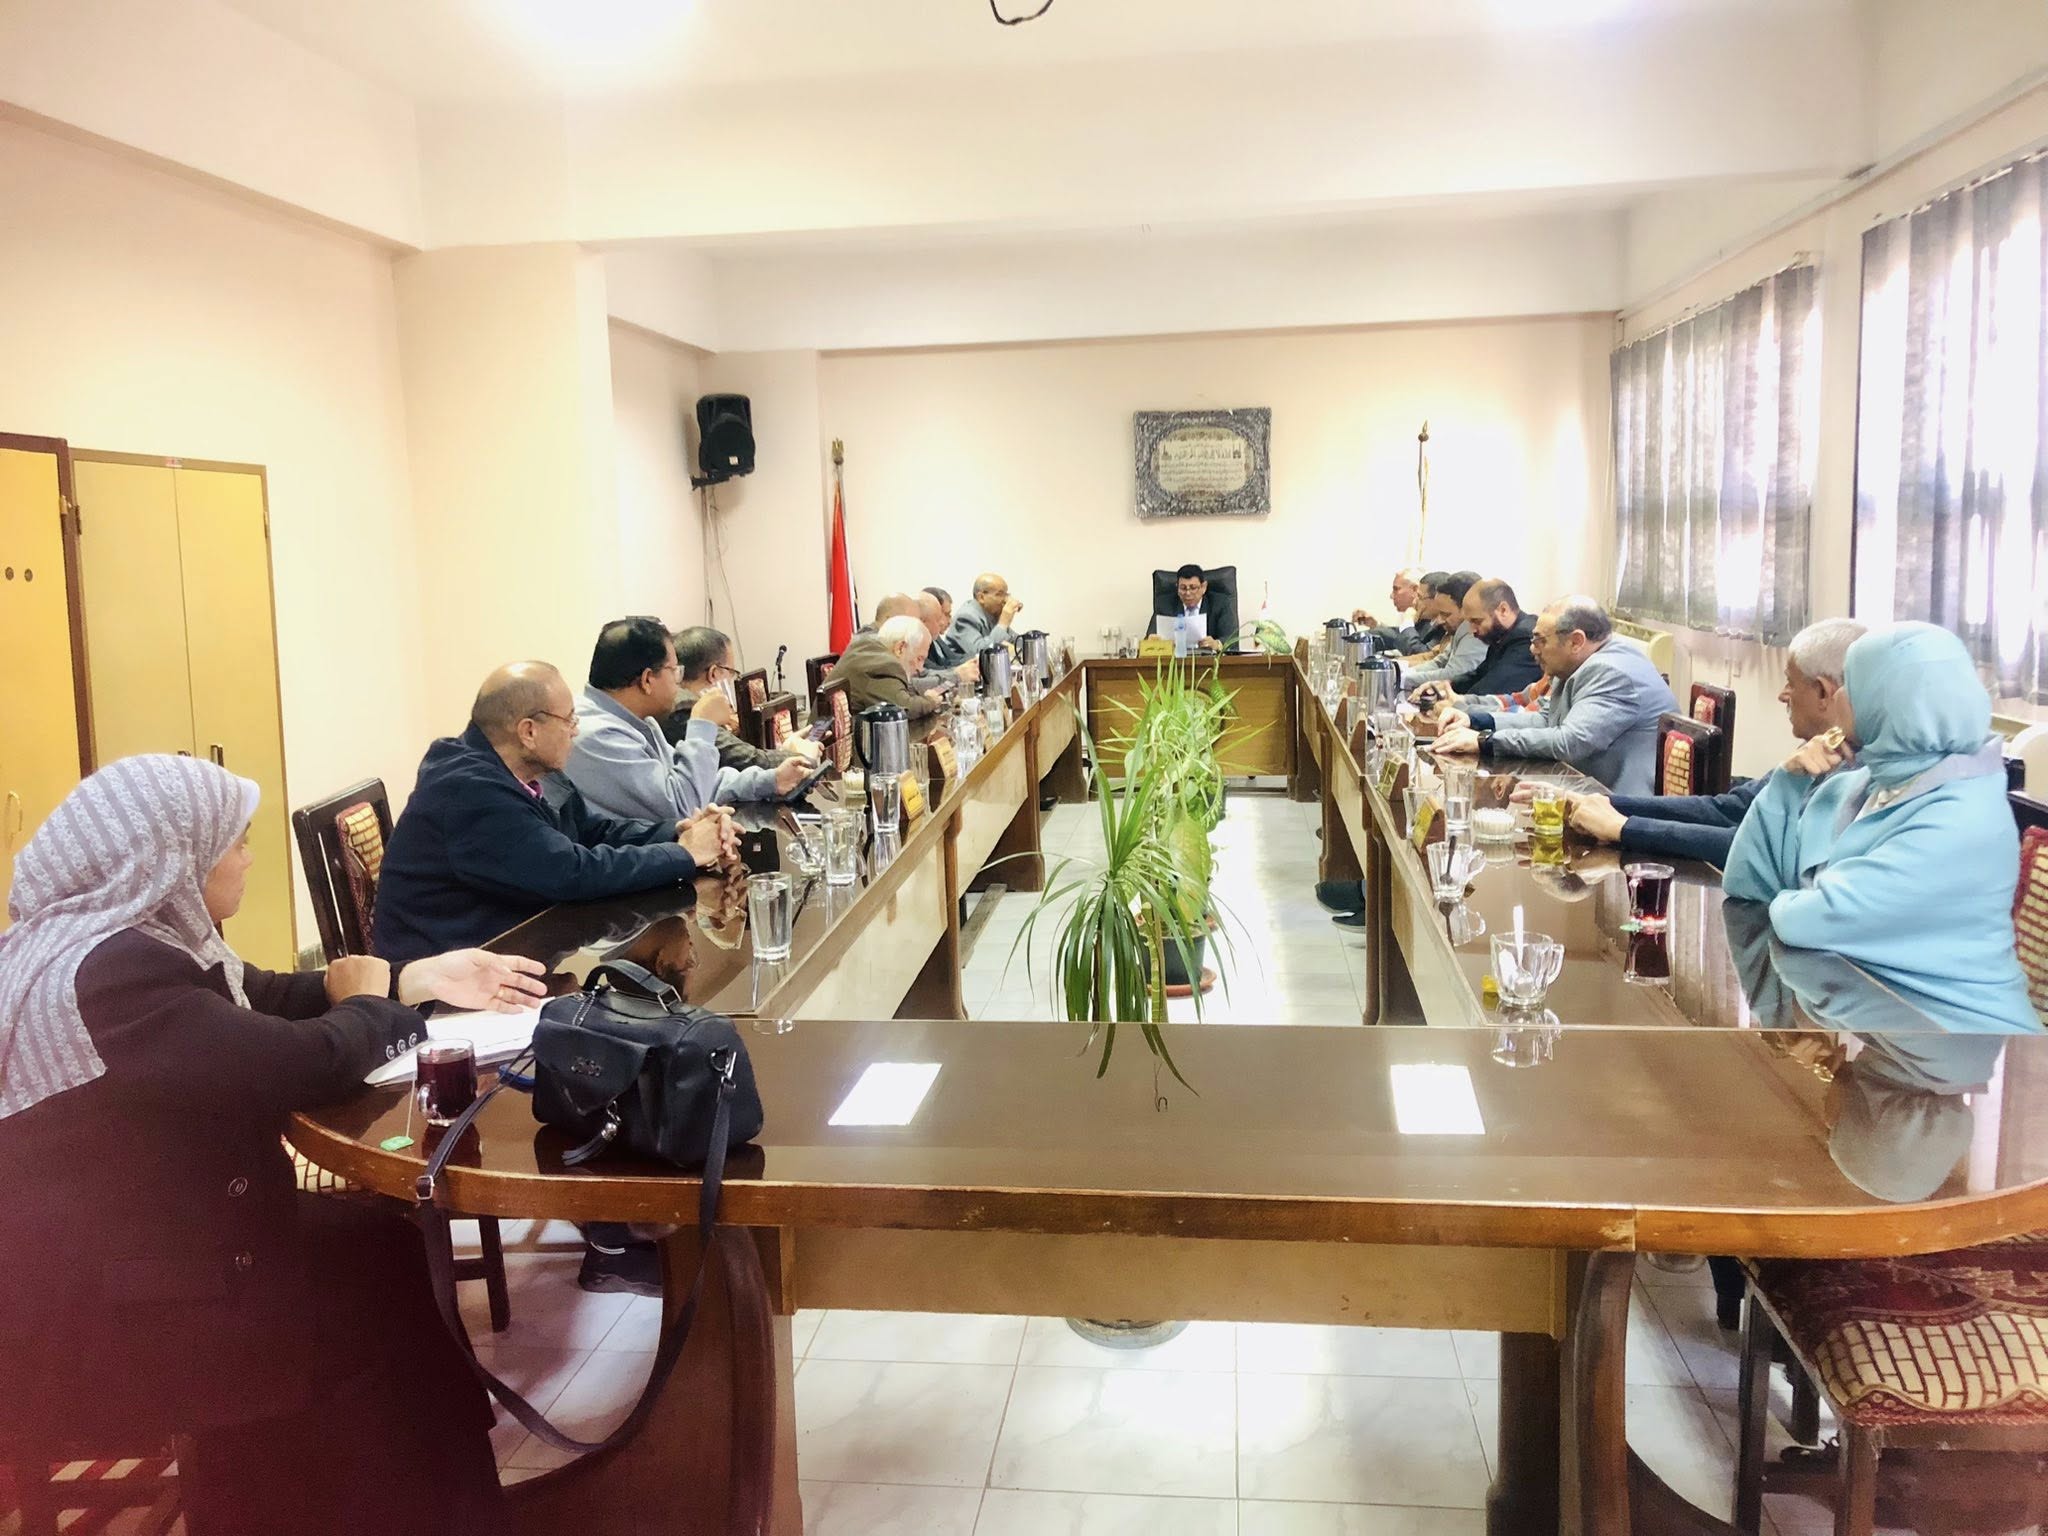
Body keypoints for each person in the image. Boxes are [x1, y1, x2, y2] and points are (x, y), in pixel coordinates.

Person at [0, 755, 549, 1534]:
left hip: (149, 1245)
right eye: (236, 842)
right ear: (173, 857)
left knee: (382, 1248)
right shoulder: (110, 976)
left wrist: (414, 979)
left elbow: (258, 999)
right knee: (370, 1298)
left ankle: (439, 1497)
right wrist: (366, 1007)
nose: (248, 857)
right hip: (112, 1305)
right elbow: (300, 1063)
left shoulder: (115, 942)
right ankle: (388, 1501)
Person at [1722, 620, 2040, 1034]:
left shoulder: (1965, 817)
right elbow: (1747, 883)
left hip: (1961, 1041)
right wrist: (1787, 782)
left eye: (1850, 686)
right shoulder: (1864, 782)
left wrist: (1791, 898)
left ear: (1888, 702)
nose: (1837, 697)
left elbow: (1814, 920)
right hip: (1875, 1020)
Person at [373, 659, 735, 966]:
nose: (576, 732)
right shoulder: (468, 791)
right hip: (446, 987)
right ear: (529, 731)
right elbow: (571, 873)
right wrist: (684, 854)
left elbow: (594, 831)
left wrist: (679, 832)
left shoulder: (531, 770)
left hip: (514, 953)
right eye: (569, 720)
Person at [1566, 618, 1866, 866]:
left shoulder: (1858, 773)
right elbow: (1731, 808)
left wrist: (1624, 828)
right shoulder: (1820, 747)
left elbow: (1751, 847)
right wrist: (1606, 804)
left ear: (1824, 692)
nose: (1782, 695)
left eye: (1791, 682)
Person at [565, 617, 810, 822]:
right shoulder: (597, 733)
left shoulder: (638, 720)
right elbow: (682, 807)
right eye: (674, 671)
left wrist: (771, 780)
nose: (678, 682)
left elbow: (696, 783)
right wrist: (702, 725)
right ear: (647, 679)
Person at [1432, 597, 1678, 795]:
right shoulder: (1576, 663)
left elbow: (1569, 742)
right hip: (1581, 789)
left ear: (1576, 641)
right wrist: (1474, 721)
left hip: (1620, 806)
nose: (1532, 649)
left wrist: (1485, 741)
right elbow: (1546, 718)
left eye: (1540, 641)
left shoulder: (1611, 672)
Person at [661, 623, 821, 773]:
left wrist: (786, 749)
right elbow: (748, 761)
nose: (731, 679)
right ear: (714, 673)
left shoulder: (678, 700)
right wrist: (802, 756)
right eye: (731, 672)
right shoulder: (686, 710)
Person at [1413, 578, 1539, 702]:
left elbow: (1491, 690)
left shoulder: (1525, 638)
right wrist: (1445, 686)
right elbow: (1479, 674)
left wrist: (1454, 700)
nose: (1472, 630)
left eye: (1477, 621)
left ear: (1503, 610)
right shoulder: (1502, 634)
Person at [830, 613, 946, 719]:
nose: (920, 669)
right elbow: (904, 708)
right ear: (900, 648)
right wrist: (931, 701)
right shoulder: (885, 664)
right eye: (919, 659)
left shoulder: (869, 650)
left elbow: (904, 694)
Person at [1396, 570, 1485, 690]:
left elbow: (1452, 674)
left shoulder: (1476, 633)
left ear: (1467, 608)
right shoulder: (1460, 628)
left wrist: (1401, 680)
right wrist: (1400, 674)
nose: (1440, 620)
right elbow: (1439, 662)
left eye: (1446, 614)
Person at [1150, 563, 1235, 652]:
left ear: (1204, 587)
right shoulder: (1165, 604)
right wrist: (1153, 641)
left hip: (1208, 659)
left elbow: (1231, 639)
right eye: (1183, 588)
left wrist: (1216, 644)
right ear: (1177, 587)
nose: (1188, 593)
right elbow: (1150, 638)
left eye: (1193, 588)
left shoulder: (1220, 603)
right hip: (1175, 658)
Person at [945, 572, 1023, 659]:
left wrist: (1030, 642)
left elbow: (1015, 641)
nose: (1005, 600)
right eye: (1000, 594)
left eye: (1006, 594)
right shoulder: (965, 618)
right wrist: (1003, 623)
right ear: (981, 597)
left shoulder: (992, 614)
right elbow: (982, 653)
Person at [1351, 567, 1428, 652]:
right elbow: (1396, 638)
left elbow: (1413, 651)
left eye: (1396, 589)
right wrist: (1375, 625)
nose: (1391, 596)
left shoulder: (1430, 620)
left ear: (1415, 589)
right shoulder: (1407, 614)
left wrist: (1407, 622)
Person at [918, 591, 981, 687]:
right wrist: (957, 675)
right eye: (938, 618)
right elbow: (927, 673)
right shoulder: (916, 643)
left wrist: (975, 660)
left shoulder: (935, 637)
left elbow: (951, 659)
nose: (943, 622)